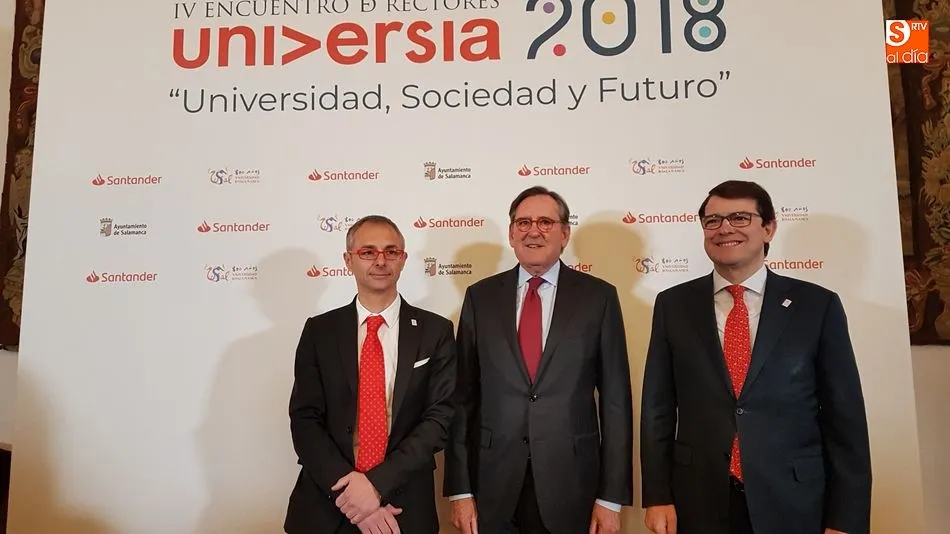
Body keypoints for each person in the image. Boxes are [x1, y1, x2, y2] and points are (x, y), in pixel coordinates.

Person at [640, 180, 872, 534]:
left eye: (739, 218)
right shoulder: (674, 305)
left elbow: (845, 419)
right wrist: (657, 496)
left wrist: (845, 519)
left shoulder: (817, 305)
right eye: (713, 220)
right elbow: (657, 409)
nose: (725, 229)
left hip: (794, 499)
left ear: (768, 228)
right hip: (698, 499)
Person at [443, 186, 634, 534]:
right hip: (492, 484)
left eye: (546, 222)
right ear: (511, 233)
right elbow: (462, 400)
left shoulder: (598, 297)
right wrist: (460, 490)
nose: (534, 231)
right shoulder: (480, 297)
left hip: (572, 484)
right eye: (524, 222)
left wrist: (610, 498)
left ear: (565, 234)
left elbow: (616, 403)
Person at [284, 215, 457, 534]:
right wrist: (355, 498)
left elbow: (439, 419)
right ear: (348, 259)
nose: (380, 260)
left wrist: (376, 485)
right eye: (367, 252)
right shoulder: (320, 331)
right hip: (327, 506)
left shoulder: (436, 331)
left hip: (404, 507)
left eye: (391, 251)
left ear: (403, 259)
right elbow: (305, 418)